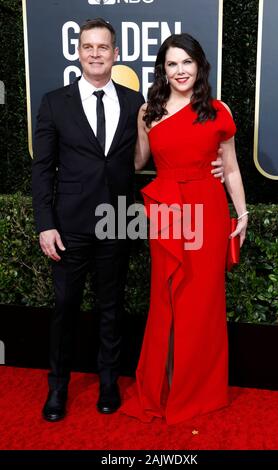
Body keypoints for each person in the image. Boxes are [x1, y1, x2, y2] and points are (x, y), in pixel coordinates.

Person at [32, 18, 225, 422]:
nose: (96, 54)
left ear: (116, 54)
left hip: (117, 221)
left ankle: (107, 386)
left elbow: (146, 157)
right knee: (65, 306)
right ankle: (57, 390)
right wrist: (45, 224)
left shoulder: (136, 101)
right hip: (69, 226)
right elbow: (42, 169)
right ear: (79, 52)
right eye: (89, 47)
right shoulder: (54, 102)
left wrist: (215, 167)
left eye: (104, 47)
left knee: (111, 307)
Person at [121, 33, 248, 424]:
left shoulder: (216, 109)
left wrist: (241, 215)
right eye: (172, 63)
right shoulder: (149, 111)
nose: (180, 71)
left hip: (208, 209)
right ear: (163, 68)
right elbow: (138, 161)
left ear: (199, 66)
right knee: (167, 297)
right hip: (167, 211)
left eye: (187, 62)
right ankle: (165, 385)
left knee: (202, 300)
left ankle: (198, 390)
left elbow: (229, 168)